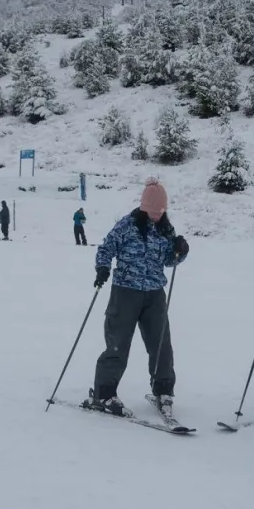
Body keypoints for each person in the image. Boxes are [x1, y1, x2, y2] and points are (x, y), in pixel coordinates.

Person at [88, 178, 189, 418]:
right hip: (125, 292)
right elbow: (106, 249)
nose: (156, 216)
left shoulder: (166, 229)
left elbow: (169, 260)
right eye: (152, 212)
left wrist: (180, 251)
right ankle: (104, 393)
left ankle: (163, 390)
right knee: (117, 343)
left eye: (160, 212)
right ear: (144, 208)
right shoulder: (127, 225)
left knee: (161, 344)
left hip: (155, 294)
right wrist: (102, 267)